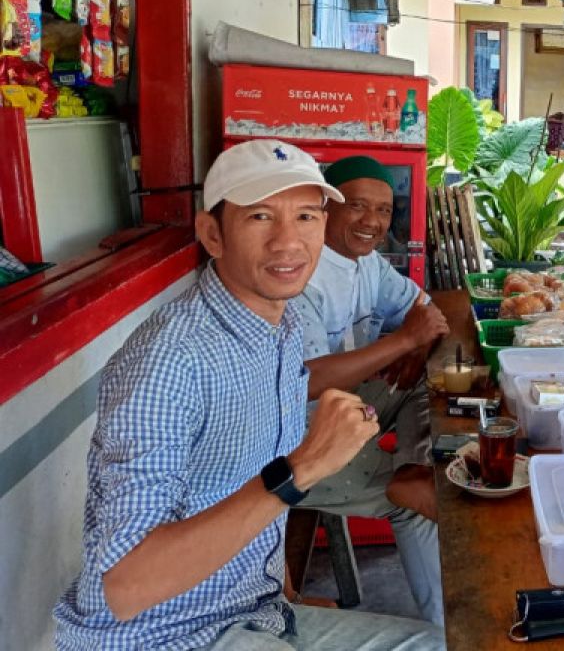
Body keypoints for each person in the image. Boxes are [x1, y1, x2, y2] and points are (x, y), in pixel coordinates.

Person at [53, 140, 444, 651]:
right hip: (165, 637)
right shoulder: (169, 361)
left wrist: (283, 591)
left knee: (446, 642)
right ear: (212, 234)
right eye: (260, 217)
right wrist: (301, 468)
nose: (288, 242)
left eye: (305, 216)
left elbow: (252, 505)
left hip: (258, 614)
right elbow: (125, 587)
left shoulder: (275, 333)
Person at [292, 155, 447, 625]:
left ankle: (411, 467)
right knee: (423, 509)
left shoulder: (368, 264)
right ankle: (448, 631)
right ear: (325, 207)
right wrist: (403, 341)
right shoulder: (301, 273)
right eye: (358, 206)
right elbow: (309, 381)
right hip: (300, 440)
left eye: (384, 210)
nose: (373, 222)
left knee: (433, 378)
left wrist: (416, 350)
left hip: (348, 406)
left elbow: (431, 315)